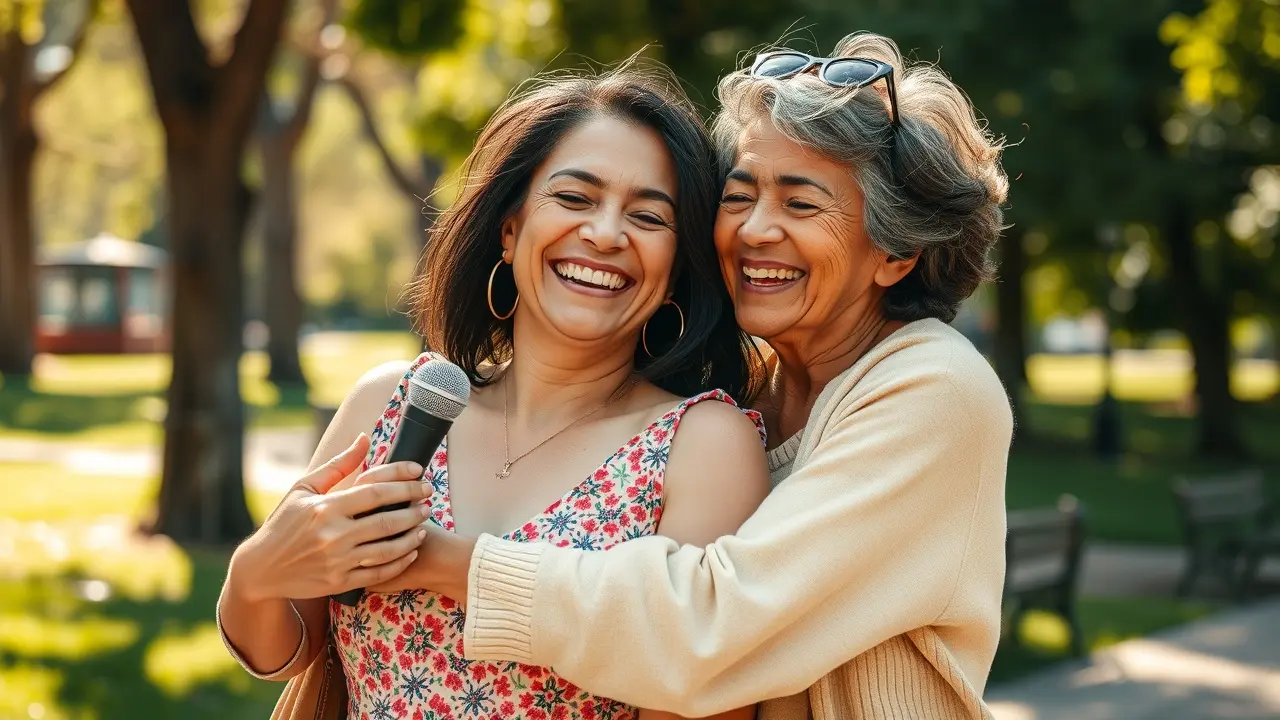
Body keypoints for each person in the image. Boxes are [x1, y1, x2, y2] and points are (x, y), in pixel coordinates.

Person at [393, 31, 1015, 719]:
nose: (753, 230)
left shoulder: (935, 390)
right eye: (739, 196)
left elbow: (714, 627)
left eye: (800, 205)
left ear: (895, 254)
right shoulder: (752, 389)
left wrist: (439, 560)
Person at [216, 62, 771, 720]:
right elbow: (289, 651)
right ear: (510, 231)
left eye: (649, 216)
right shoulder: (391, 403)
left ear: (677, 269)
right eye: (575, 198)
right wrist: (254, 575)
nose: (605, 233)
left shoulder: (702, 445)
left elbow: (695, 682)